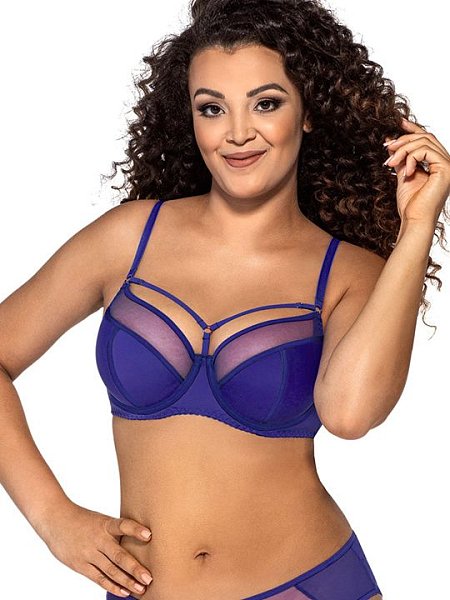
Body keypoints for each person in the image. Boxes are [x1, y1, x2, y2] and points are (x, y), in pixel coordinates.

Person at [1, 0, 449, 598]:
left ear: (307, 113)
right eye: (212, 108)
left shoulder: (349, 273)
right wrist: (53, 519)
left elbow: (349, 415)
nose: (237, 133)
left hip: (304, 584)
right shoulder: (128, 238)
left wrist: (416, 229)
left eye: (266, 103)